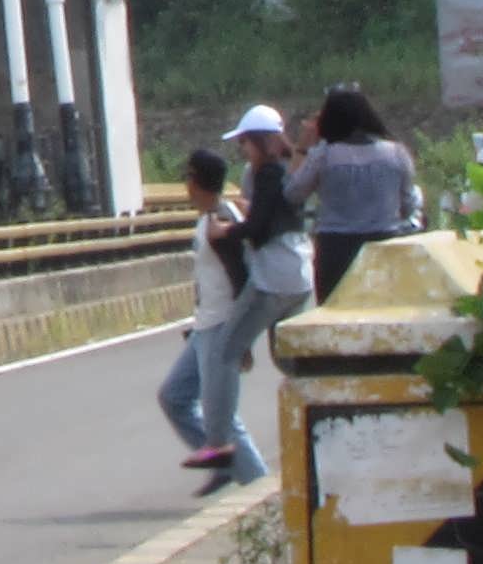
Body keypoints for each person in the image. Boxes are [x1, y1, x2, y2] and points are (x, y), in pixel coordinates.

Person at [191, 102, 313, 474]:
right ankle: (317, 422)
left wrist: (227, 230)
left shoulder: (267, 173)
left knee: (224, 352)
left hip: (272, 278)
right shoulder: (290, 172)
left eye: (245, 143)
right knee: (291, 359)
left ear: (259, 142)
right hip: (301, 274)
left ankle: (217, 442)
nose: (243, 150)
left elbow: (258, 228)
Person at [154, 149, 263, 486]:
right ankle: (222, 461)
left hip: (223, 328)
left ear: (197, 181)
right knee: (174, 396)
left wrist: (242, 336)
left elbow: (244, 278)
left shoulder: (223, 220)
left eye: (188, 177)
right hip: (205, 327)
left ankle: (260, 490)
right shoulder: (206, 220)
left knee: (224, 418)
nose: (186, 186)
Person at [301, 82, 424, 301]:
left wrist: (304, 148)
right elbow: (408, 206)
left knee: (334, 316)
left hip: (336, 250)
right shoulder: (396, 152)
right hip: (384, 245)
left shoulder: (324, 155)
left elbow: (293, 193)